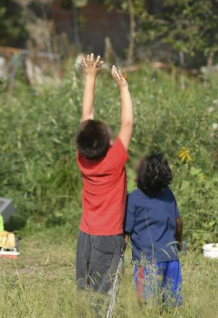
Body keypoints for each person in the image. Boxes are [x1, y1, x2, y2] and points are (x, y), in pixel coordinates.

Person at [75, 53, 133, 299]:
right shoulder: (114, 160)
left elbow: (86, 118)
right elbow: (128, 122)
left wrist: (90, 76)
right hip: (108, 237)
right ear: (107, 141)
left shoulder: (82, 158)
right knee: (103, 295)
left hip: (85, 235)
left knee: (85, 291)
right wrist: (123, 87)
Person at [124, 153, 183, 307]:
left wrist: (119, 253)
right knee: (172, 306)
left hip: (147, 263)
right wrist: (179, 242)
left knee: (146, 307)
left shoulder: (133, 199)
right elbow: (178, 221)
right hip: (172, 259)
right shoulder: (168, 193)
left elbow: (126, 233)